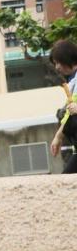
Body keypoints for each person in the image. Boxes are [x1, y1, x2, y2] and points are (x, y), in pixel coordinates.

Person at [49, 39, 77, 173]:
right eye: (55, 63)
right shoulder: (72, 82)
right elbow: (68, 115)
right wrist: (58, 136)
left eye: (59, 62)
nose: (57, 67)